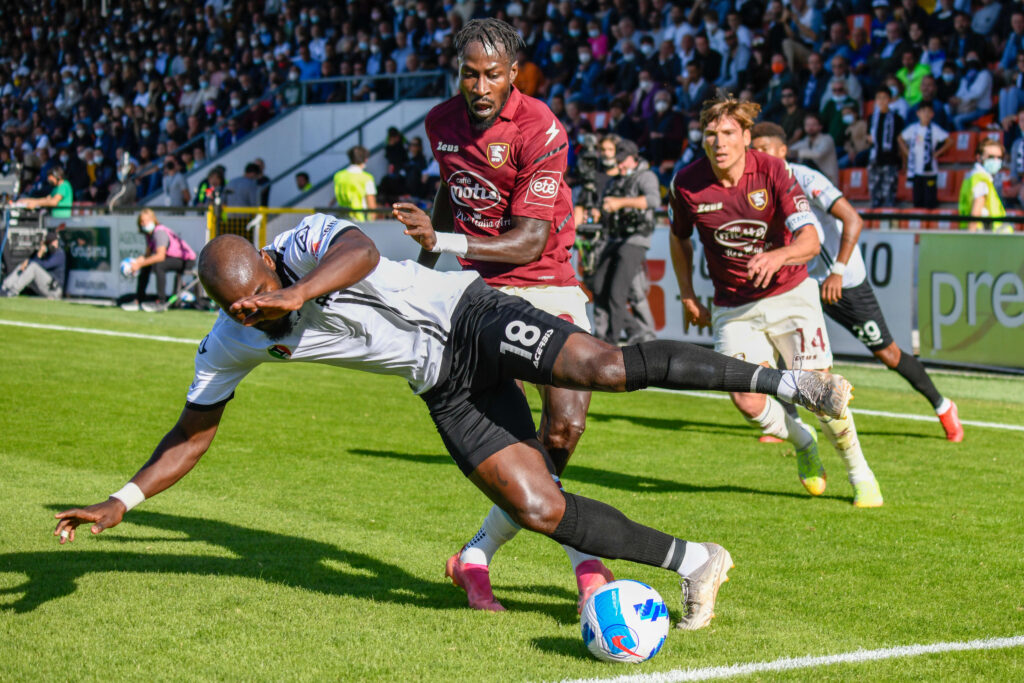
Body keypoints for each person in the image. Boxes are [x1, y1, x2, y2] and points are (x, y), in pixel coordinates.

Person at [52, 217, 854, 635]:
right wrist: (122, 500)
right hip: (441, 384)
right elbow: (193, 431)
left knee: (603, 367)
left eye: (259, 296)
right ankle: (698, 560)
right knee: (537, 505)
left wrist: (296, 293)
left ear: (268, 263)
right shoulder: (231, 338)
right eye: (238, 309)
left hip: (467, 315)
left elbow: (362, 250)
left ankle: (795, 383)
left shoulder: (300, 245)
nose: (254, 314)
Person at [394, 18, 611, 613]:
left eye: (492, 74)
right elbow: (451, 190)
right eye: (470, 73)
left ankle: (476, 554)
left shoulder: (540, 126)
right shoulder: (441, 122)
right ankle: (586, 563)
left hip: (549, 282)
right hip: (483, 293)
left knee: (565, 428)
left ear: (514, 73)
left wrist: (440, 243)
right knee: (518, 439)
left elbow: (529, 241)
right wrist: (421, 272)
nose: (480, 85)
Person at [668, 95, 883, 508]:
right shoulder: (686, 183)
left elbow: (810, 240)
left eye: (728, 133)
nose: (719, 142)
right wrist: (688, 294)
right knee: (745, 398)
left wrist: (778, 256)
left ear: (746, 136)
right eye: (710, 134)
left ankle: (860, 472)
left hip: (791, 296)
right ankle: (804, 443)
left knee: (818, 392)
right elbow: (679, 239)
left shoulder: (773, 170)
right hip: (733, 306)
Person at [751, 122, 964, 442]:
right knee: (783, 344)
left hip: (842, 281)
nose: (758, 156)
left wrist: (837, 271)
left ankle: (943, 405)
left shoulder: (805, 178)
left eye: (764, 149)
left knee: (888, 354)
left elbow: (853, 218)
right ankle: (788, 422)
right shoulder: (757, 189)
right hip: (802, 280)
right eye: (753, 151)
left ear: (782, 151)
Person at [590, 139, 660, 346]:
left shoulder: (646, 176)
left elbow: (654, 200)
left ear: (633, 158)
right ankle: (635, 330)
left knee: (618, 293)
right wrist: (598, 211)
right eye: (617, 161)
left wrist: (620, 203)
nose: (619, 165)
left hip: (635, 240)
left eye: (622, 161)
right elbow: (605, 205)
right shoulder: (615, 180)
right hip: (614, 238)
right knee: (598, 286)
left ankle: (611, 341)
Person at [121, 208, 199, 312]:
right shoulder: (149, 234)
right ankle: (139, 300)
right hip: (172, 258)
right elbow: (147, 255)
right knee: (146, 266)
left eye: (146, 221)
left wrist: (139, 264)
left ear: (153, 220)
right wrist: (137, 262)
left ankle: (161, 302)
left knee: (159, 265)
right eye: (142, 221)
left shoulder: (159, 232)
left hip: (187, 261)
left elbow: (160, 256)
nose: (144, 223)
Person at [898, 102, 952, 209]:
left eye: (928, 112)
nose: (926, 114)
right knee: (917, 200)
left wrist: (937, 153)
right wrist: (907, 152)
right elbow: (900, 138)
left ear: (932, 114)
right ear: (918, 113)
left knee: (930, 201)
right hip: (916, 170)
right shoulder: (913, 128)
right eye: (923, 112)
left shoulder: (935, 129)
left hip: (930, 171)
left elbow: (950, 141)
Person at [959, 139, 1011, 233]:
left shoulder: (973, 177)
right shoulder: (981, 180)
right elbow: (976, 212)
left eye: (999, 157)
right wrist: (969, 237)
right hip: (982, 233)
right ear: (979, 157)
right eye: (991, 157)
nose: (996, 160)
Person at [0, 229, 64, 299]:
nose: (52, 244)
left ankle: (12, 292)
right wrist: (38, 254)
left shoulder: (59, 254)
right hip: (45, 286)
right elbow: (33, 264)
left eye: (52, 242)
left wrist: (30, 261)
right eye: (49, 243)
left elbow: (45, 265)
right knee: (23, 265)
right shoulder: (47, 253)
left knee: (32, 266)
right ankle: (4, 287)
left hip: (54, 290)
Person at [867, 89, 904, 209]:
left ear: (890, 100)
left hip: (891, 159)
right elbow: (868, 137)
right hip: (875, 158)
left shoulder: (897, 118)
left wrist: (903, 161)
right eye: (879, 98)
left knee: (889, 193)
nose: (882, 101)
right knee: (874, 192)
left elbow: (900, 141)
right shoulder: (872, 118)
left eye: (884, 98)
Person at [331, 145, 377, 222]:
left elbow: (334, 199)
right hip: (360, 219)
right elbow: (371, 205)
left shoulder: (338, 176)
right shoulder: (366, 178)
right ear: (365, 159)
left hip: (341, 218)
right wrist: (372, 220)